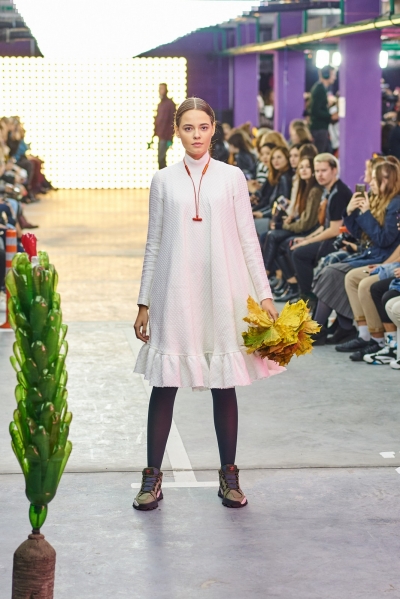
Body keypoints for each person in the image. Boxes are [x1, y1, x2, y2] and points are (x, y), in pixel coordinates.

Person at [133, 97, 282, 512]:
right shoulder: (163, 180)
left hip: (223, 289)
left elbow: (249, 239)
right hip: (174, 291)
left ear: (213, 128)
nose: (196, 135)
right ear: (177, 132)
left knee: (223, 382)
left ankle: (229, 476)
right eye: (188, 128)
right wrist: (144, 301)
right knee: (164, 383)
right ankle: (152, 478)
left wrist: (265, 294)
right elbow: (154, 242)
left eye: (202, 127)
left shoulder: (232, 177)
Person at [313, 162, 400, 352]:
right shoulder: (379, 199)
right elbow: (360, 234)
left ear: (387, 180)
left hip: (381, 256)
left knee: (334, 272)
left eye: (375, 178)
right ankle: (344, 329)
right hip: (371, 254)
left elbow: (384, 239)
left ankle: (339, 330)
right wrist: (350, 212)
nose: (370, 182)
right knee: (332, 270)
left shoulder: (395, 204)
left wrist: (366, 213)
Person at [291, 153, 352, 303]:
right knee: (294, 245)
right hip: (333, 237)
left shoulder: (339, 193)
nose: (319, 175)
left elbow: (334, 230)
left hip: (340, 242)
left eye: (323, 170)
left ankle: (309, 298)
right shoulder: (330, 190)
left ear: (334, 170)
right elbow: (324, 226)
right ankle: (304, 293)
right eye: (317, 171)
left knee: (299, 254)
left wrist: (307, 242)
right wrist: (306, 238)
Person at [263, 156, 323, 302]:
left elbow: (306, 223)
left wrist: (283, 225)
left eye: (307, 167)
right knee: (272, 239)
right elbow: (300, 215)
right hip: (302, 227)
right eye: (301, 167)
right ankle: (292, 284)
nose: (303, 170)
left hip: (310, 230)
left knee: (274, 237)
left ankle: (265, 277)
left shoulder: (314, 190)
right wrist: (289, 219)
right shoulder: (303, 187)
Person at [252, 146, 292, 237]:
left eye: (279, 157)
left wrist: (262, 214)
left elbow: (283, 204)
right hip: (271, 215)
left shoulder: (284, 178)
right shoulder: (277, 176)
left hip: (277, 219)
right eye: (273, 158)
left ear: (287, 158)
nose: (275, 161)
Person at [309, 66, 337, 153]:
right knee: (319, 154)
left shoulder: (321, 88)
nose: (335, 78)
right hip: (319, 130)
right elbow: (315, 111)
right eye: (333, 75)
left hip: (321, 129)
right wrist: (330, 116)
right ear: (326, 75)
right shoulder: (319, 89)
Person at [153, 83, 176, 170]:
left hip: (166, 136)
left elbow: (172, 121)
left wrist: (170, 137)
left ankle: (165, 176)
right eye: (159, 89)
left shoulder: (170, 104)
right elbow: (158, 121)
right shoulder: (160, 105)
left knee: (161, 159)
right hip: (160, 136)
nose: (160, 91)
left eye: (162, 89)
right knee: (160, 159)